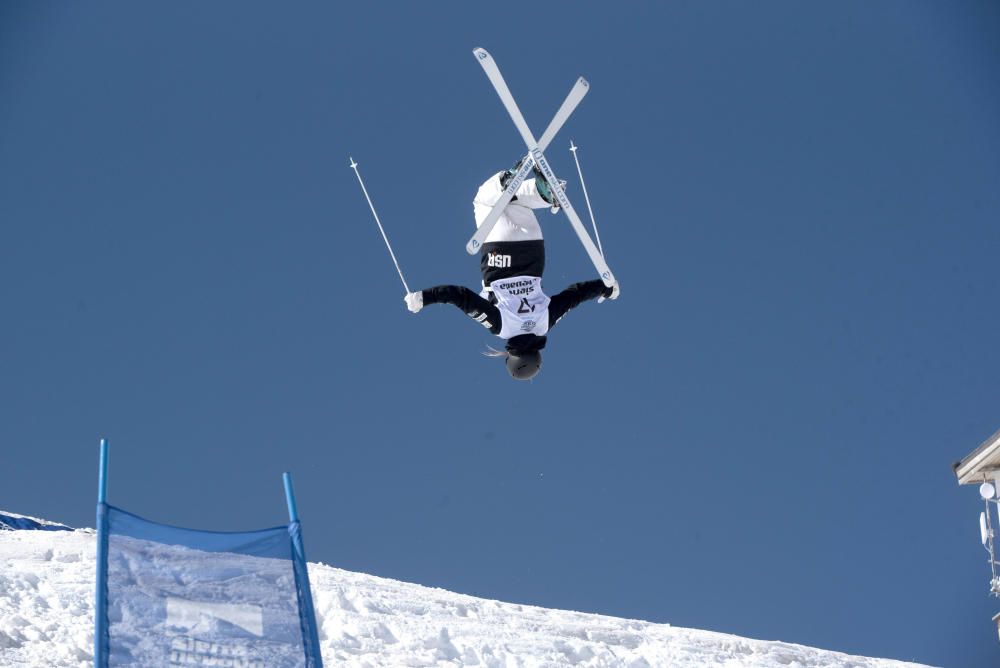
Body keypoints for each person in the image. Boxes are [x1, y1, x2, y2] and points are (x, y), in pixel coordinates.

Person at [404, 162, 619, 380]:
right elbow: (460, 296)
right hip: (500, 248)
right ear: (511, 356)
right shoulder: (501, 326)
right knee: (484, 200)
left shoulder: (545, 322)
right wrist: (423, 298)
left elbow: (575, 295)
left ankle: (543, 194)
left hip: (533, 246)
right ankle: (509, 180)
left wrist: (604, 288)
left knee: (514, 201)